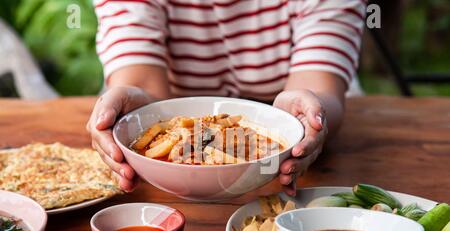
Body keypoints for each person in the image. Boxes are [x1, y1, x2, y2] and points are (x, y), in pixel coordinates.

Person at [87, 0, 366, 195]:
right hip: (169, 187)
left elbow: (318, 87)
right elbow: (145, 91)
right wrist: (134, 107)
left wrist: (307, 116)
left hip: (279, 179)